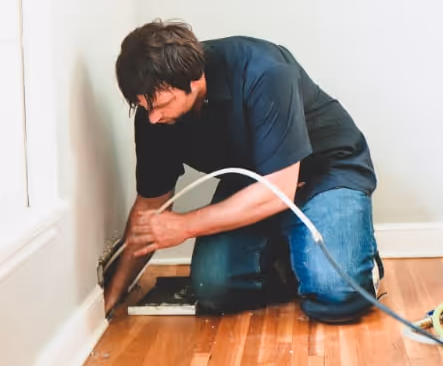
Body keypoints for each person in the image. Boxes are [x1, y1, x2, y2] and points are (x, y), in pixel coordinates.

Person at [105, 20, 382, 322]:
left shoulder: (264, 71)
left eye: (161, 104)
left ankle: (356, 265)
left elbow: (279, 189)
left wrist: (185, 226)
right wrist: (110, 298)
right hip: (253, 183)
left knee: (336, 291)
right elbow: (150, 207)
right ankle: (295, 257)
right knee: (211, 287)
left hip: (323, 172)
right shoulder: (154, 116)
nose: (154, 118)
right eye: (144, 107)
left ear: (195, 80)